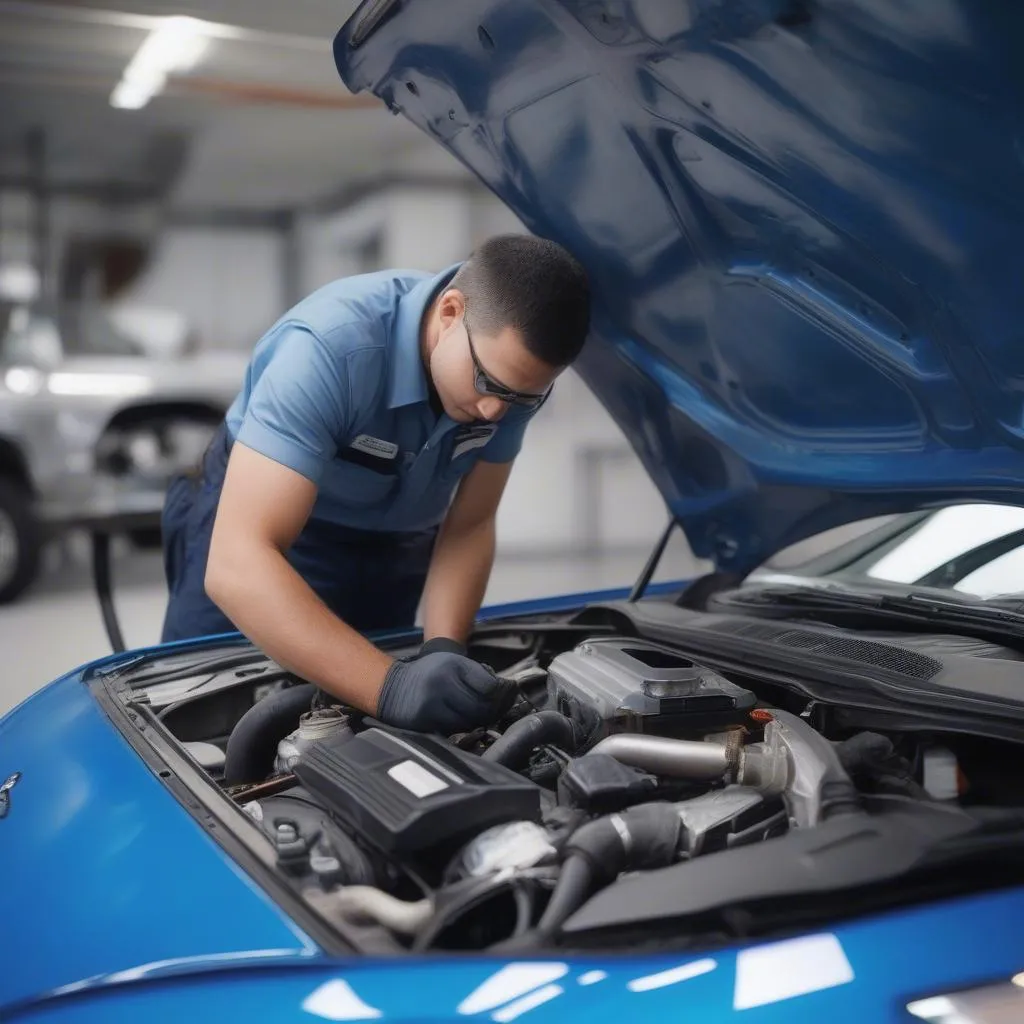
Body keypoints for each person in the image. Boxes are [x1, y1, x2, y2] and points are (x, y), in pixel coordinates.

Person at [160, 234, 590, 734]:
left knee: (359, 732)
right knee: (204, 728)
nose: (497, 411)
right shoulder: (328, 348)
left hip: (396, 547)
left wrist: (442, 652)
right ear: (451, 312)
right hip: (273, 536)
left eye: (523, 398)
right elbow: (238, 564)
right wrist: (391, 686)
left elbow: (471, 523)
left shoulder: (504, 382)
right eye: (490, 385)